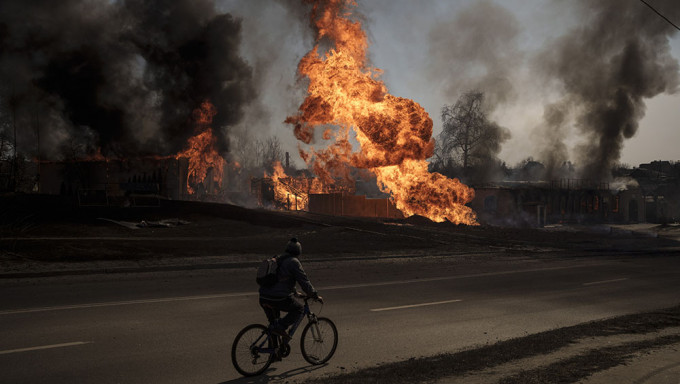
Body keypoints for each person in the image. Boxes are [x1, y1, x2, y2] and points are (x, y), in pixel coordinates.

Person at [259, 237, 322, 340]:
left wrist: (295, 293)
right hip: (277, 299)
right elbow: (304, 281)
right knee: (299, 309)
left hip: (263, 297)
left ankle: (274, 353)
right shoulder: (294, 262)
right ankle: (281, 327)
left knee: (273, 326)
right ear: (298, 252)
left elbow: (283, 280)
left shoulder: (278, 258)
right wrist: (314, 295)